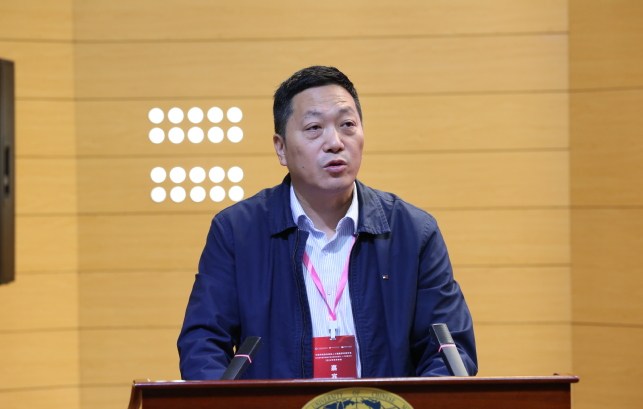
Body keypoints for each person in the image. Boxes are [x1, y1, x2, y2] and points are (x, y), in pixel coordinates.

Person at [177, 66, 477, 380]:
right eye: (314, 128)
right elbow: (204, 343)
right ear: (281, 148)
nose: (335, 142)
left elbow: (449, 348)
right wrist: (234, 407)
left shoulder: (413, 232)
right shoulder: (237, 232)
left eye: (347, 125)